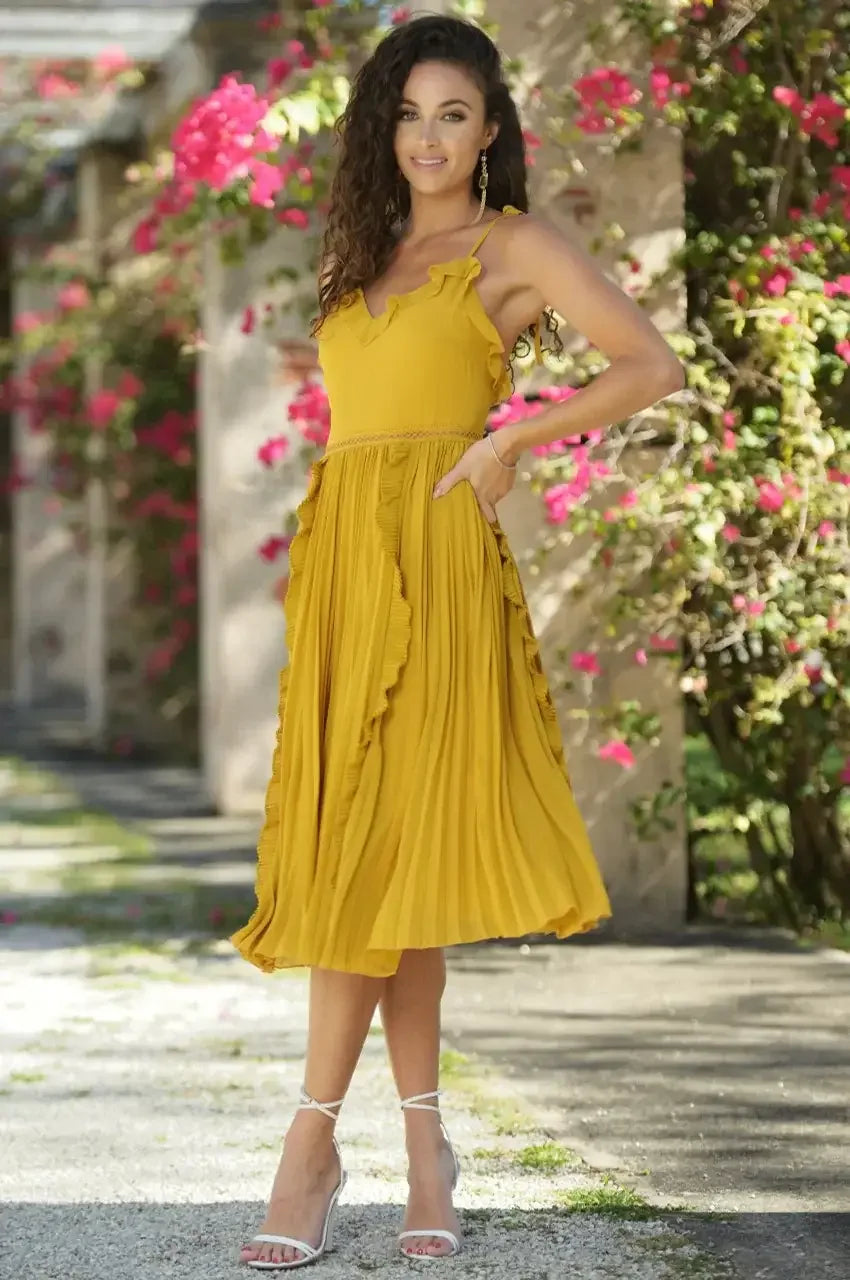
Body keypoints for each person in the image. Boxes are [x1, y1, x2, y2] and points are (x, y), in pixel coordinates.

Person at [233, 12, 684, 1272]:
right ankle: (426, 1144)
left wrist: (509, 441)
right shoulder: (362, 246)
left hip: (437, 559)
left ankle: (310, 1142)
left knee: (379, 849)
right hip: (345, 566)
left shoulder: (515, 242)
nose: (426, 135)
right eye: (407, 111)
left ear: (490, 132)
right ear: (386, 123)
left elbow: (646, 365)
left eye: (452, 113)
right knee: (390, 858)